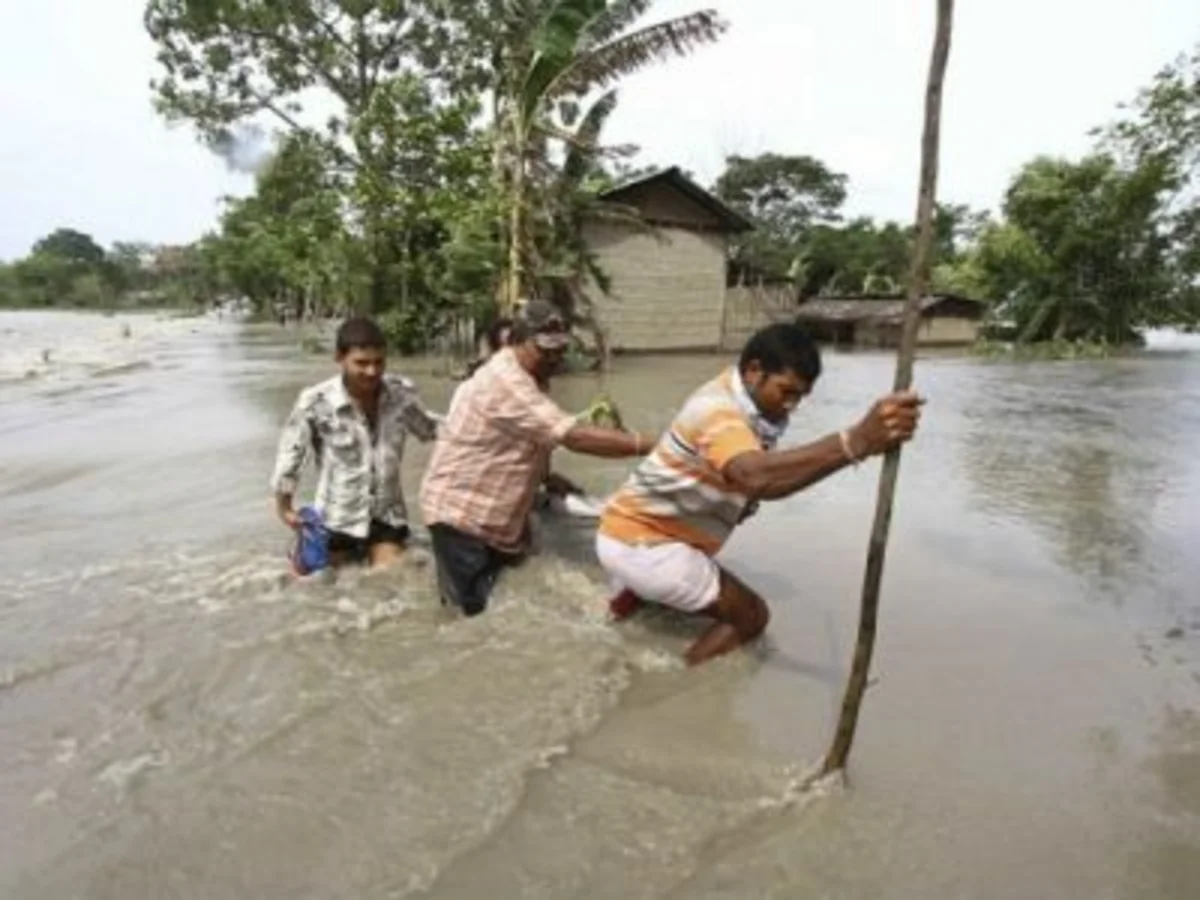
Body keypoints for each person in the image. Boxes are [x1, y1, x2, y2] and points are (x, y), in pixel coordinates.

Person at [595, 322, 923, 666]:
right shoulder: (716, 410)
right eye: (786, 392)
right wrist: (855, 442)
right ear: (753, 371)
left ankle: (627, 602)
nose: (792, 406)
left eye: (801, 397)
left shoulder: (746, 403)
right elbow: (757, 477)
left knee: (689, 592)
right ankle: (679, 680)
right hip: (644, 543)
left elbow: (755, 476)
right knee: (752, 617)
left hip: (626, 529)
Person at [419, 299, 657, 616]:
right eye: (545, 350)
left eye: (560, 350)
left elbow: (527, 438)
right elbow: (572, 436)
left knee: (506, 604)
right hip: (463, 517)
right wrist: (652, 444)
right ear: (516, 340)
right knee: (470, 618)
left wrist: (545, 478)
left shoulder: (532, 378)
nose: (555, 359)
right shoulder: (506, 381)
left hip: (499, 519)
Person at [270, 316, 441, 570]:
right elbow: (291, 456)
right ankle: (302, 551)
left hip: (387, 518)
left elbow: (431, 429)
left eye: (378, 362)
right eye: (361, 363)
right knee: (318, 587)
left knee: (392, 579)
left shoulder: (401, 395)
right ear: (339, 357)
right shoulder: (316, 402)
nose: (372, 371)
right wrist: (285, 508)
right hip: (336, 520)